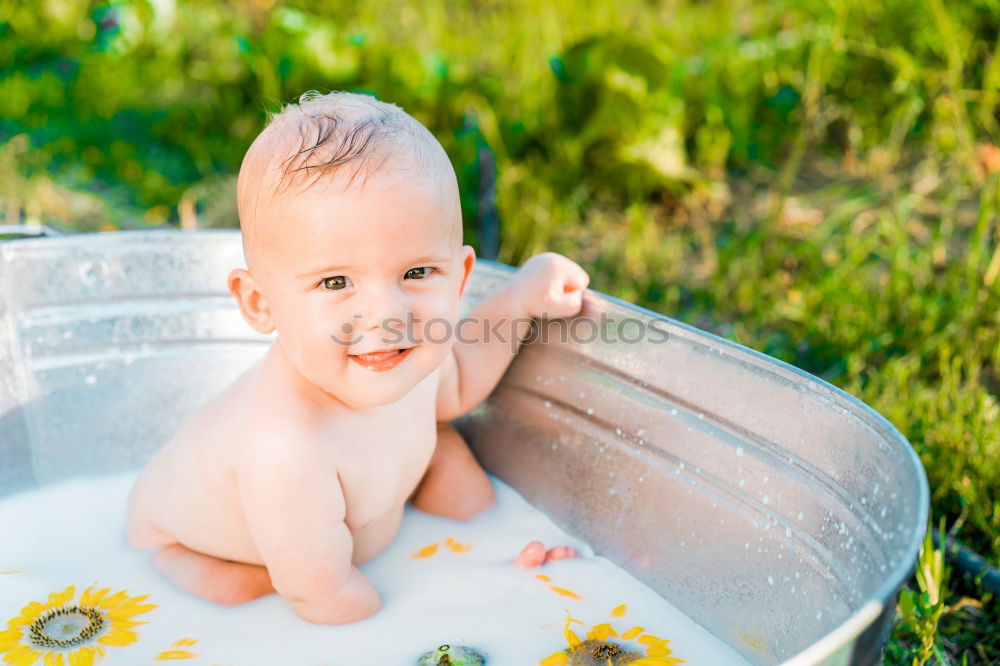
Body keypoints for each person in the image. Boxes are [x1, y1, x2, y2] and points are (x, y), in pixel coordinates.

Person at [125, 90, 590, 625]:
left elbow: (459, 382)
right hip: (204, 547)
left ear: (460, 278)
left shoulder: (406, 352)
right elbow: (325, 598)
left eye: (416, 273)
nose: (386, 316)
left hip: (361, 509)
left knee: (455, 467)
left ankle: (492, 542)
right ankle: (174, 567)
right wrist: (449, 618)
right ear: (260, 303)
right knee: (239, 592)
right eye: (336, 282)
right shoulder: (287, 448)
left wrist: (525, 297)